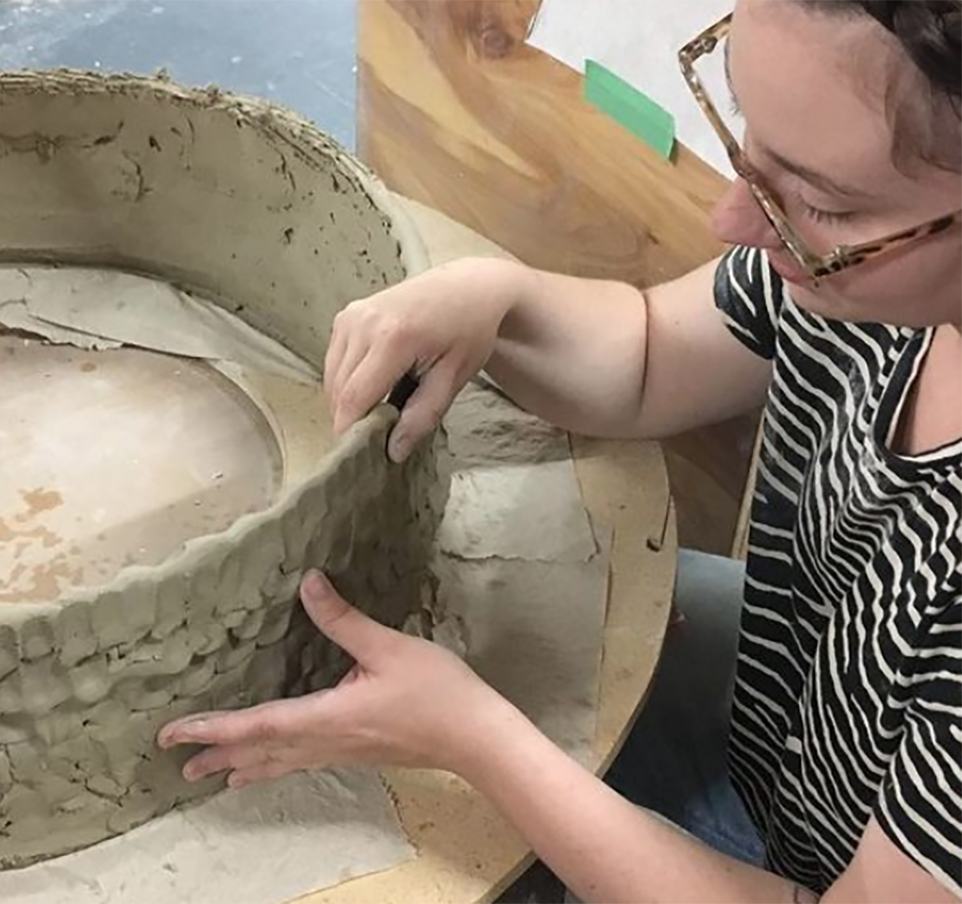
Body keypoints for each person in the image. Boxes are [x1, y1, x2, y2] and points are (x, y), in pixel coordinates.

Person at [158, 0, 962, 900]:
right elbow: (654, 353)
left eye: (820, 200)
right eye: (741, 134)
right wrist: (498, 301)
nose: (735, 219)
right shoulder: (858, 284)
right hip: (803, 714)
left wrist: (476, 742)